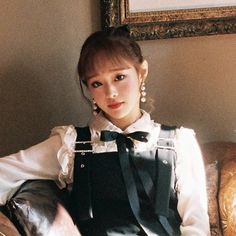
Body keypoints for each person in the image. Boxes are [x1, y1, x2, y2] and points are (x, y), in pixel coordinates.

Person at [0, 25, 210, 235]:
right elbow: (5, 172)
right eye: (97, 83)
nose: (111, 92)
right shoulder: (71, 145)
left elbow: (196, 224)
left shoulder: (179, 142)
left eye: (119, 77)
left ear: (142, 72)